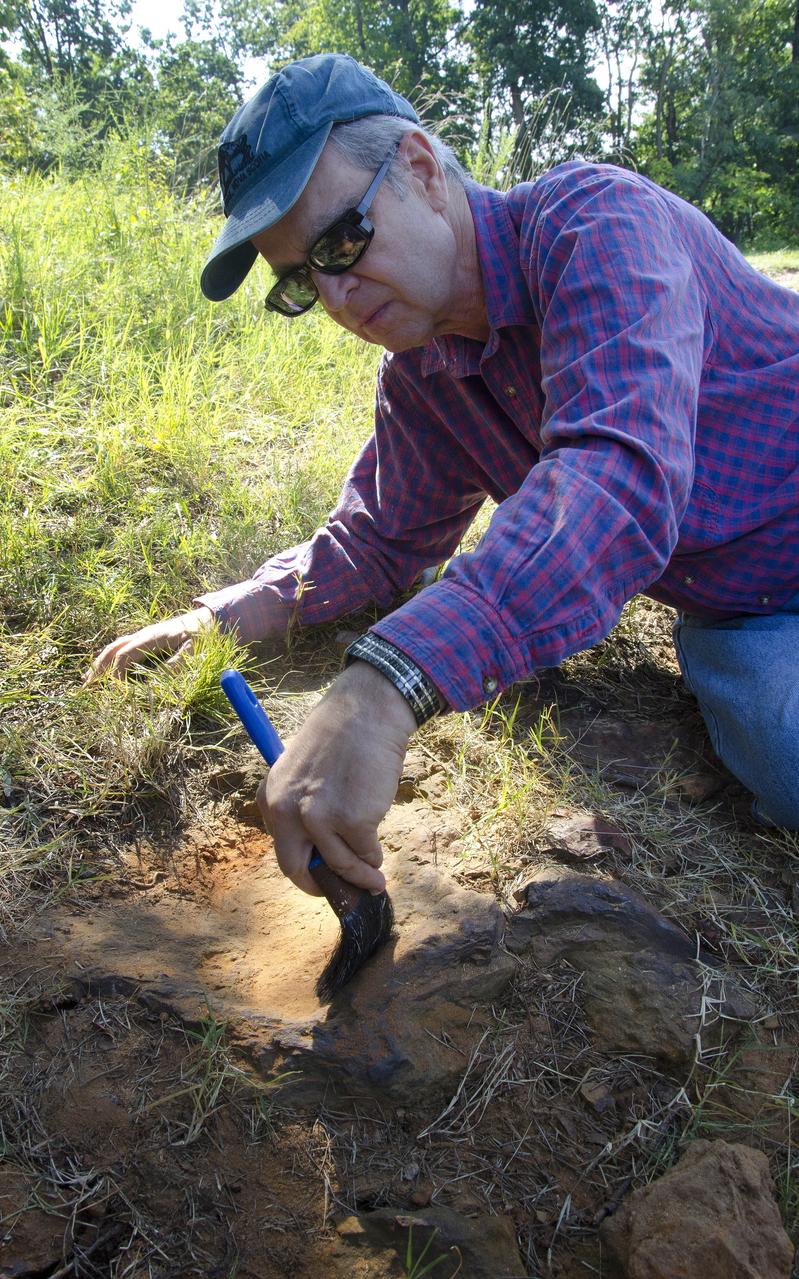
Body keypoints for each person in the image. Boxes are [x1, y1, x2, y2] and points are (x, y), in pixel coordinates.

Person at [87, 52, 799, 894]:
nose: (340, 298)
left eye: (341, 241)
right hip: (745, 610)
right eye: (302, 284)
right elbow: (378, 537)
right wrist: (222, 615)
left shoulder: (597, 222)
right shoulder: (424, 374)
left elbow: (617, 479)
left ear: (421, 169)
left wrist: (384, 686)